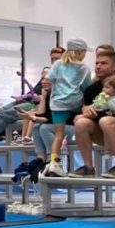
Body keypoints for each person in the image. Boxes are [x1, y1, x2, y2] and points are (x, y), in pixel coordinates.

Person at [70, 50, 115, 178]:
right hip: (104, 130)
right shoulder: (91, 89)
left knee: (106, 121)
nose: (98, 66)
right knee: (81, 123)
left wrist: (96, 114)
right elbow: (81, 113)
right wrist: (85, 111)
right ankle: (88, 167)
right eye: (97, 63)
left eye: (104, 63)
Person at [0, 46, 65, 141]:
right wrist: (23, 96)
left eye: (57, 59)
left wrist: (41, 98)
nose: (54, 61)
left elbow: (53, 96)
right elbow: (35, 89)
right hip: (30, 100)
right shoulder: (50, 72)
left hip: (39, 104)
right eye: (52, 59)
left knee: (4, 115)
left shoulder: (63, 77)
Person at [43, 39, 92, 177]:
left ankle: (53, 163)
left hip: (57, 104)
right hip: (75, 103)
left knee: (58, 135)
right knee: (84, 124)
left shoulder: (58, 64)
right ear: (81, 52)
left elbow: (49, 79)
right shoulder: (84, 68)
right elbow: (86, 87)